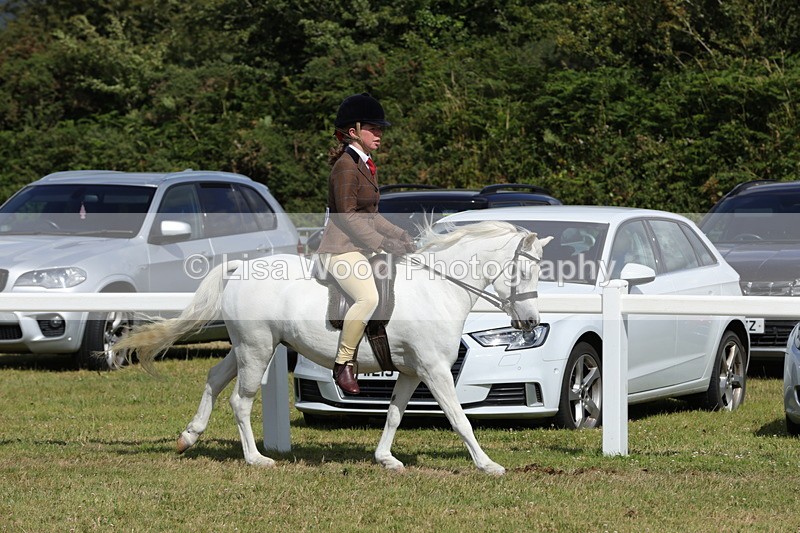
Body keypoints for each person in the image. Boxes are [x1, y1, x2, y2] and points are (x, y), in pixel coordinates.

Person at [316, 93, 415, 394]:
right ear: (354, 131)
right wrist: (383, 242)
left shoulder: (365, 164)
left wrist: (399, 235)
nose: (379, 134)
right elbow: (347, 216)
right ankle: (343, 363)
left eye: (380, 128)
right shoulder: (346, 166)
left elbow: (370, 215)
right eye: (373, 128)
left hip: (358, 247)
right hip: (340, 249)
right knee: (368, 298)